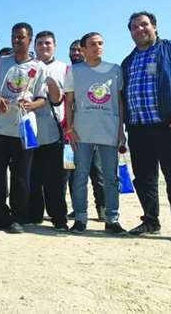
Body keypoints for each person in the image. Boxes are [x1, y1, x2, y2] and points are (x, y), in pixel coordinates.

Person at [122, 11, 171, 244]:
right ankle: (151, 221)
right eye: (134, 27)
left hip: (169, 125)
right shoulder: (128, 61)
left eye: (144, 25)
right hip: (137, 128)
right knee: (144, 179)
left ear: (154, 26)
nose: (140, 30)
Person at [0, 22, 46, 234]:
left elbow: (42, 99)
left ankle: (18, 217)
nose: (17, 41)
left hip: (23, 127)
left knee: (21, 176)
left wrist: (31, 105)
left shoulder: (39, 67)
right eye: (13, 37)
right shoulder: (3, 63)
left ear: (29, 39)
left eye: (21, 37)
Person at [65, 32, 126, 235]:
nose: (97, 47)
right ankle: (80, 219)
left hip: (108, 131)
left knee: (110, 177)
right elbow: (69, 102)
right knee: (80, 176)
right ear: (83, 49)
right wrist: (70, 128)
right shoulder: (74, 71)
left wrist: (121, 131)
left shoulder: (114, 70)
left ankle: (112, 219)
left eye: (100, 43)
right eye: (92, 44)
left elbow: (119, 102)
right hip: (82, 133)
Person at [26, 31, 68, 230]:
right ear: (34, 46)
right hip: (30, 128)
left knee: (54, 179)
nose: (44, 47)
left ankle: (58, 216)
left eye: (48, 43)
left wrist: (51, 83)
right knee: (32, 176)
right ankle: (33, 213)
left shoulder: (63, 69)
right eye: (40, 43)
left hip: (53, 127)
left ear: (55, 45)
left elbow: (61, 99)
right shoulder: (28, 67)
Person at [64, 39, 106, 221]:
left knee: (97, 173)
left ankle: (102, 209)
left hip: (93, 132)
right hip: (71, 132)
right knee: (73, 173)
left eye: (78, 50)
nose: (75, 53)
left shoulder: (96, 72)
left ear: (84, 51)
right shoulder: (68, 72)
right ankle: (78, 208)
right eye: (72, 50)